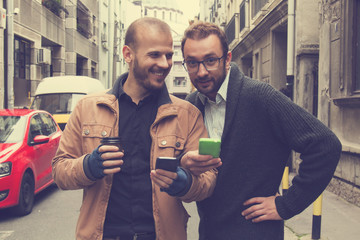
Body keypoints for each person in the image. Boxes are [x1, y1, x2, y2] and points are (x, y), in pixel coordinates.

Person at [52, 17, 218, 240]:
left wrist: (184, 182)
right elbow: (60, 171)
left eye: (169, 55)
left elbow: (208, 181)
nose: (165, 63)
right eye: (154, 54)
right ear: (128, 54)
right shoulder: (87, 108)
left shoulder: (187, 114)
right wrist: (89, 166)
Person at [181, 22, 342, 240]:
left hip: (257, 233)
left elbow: (326, 145)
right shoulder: (191, 107)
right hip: (209, 233)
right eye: (192, 63)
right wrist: (184, 163)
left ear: (227, 59)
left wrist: (286, 204)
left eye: (210, 60)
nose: (201, 71)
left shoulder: (260, 97)